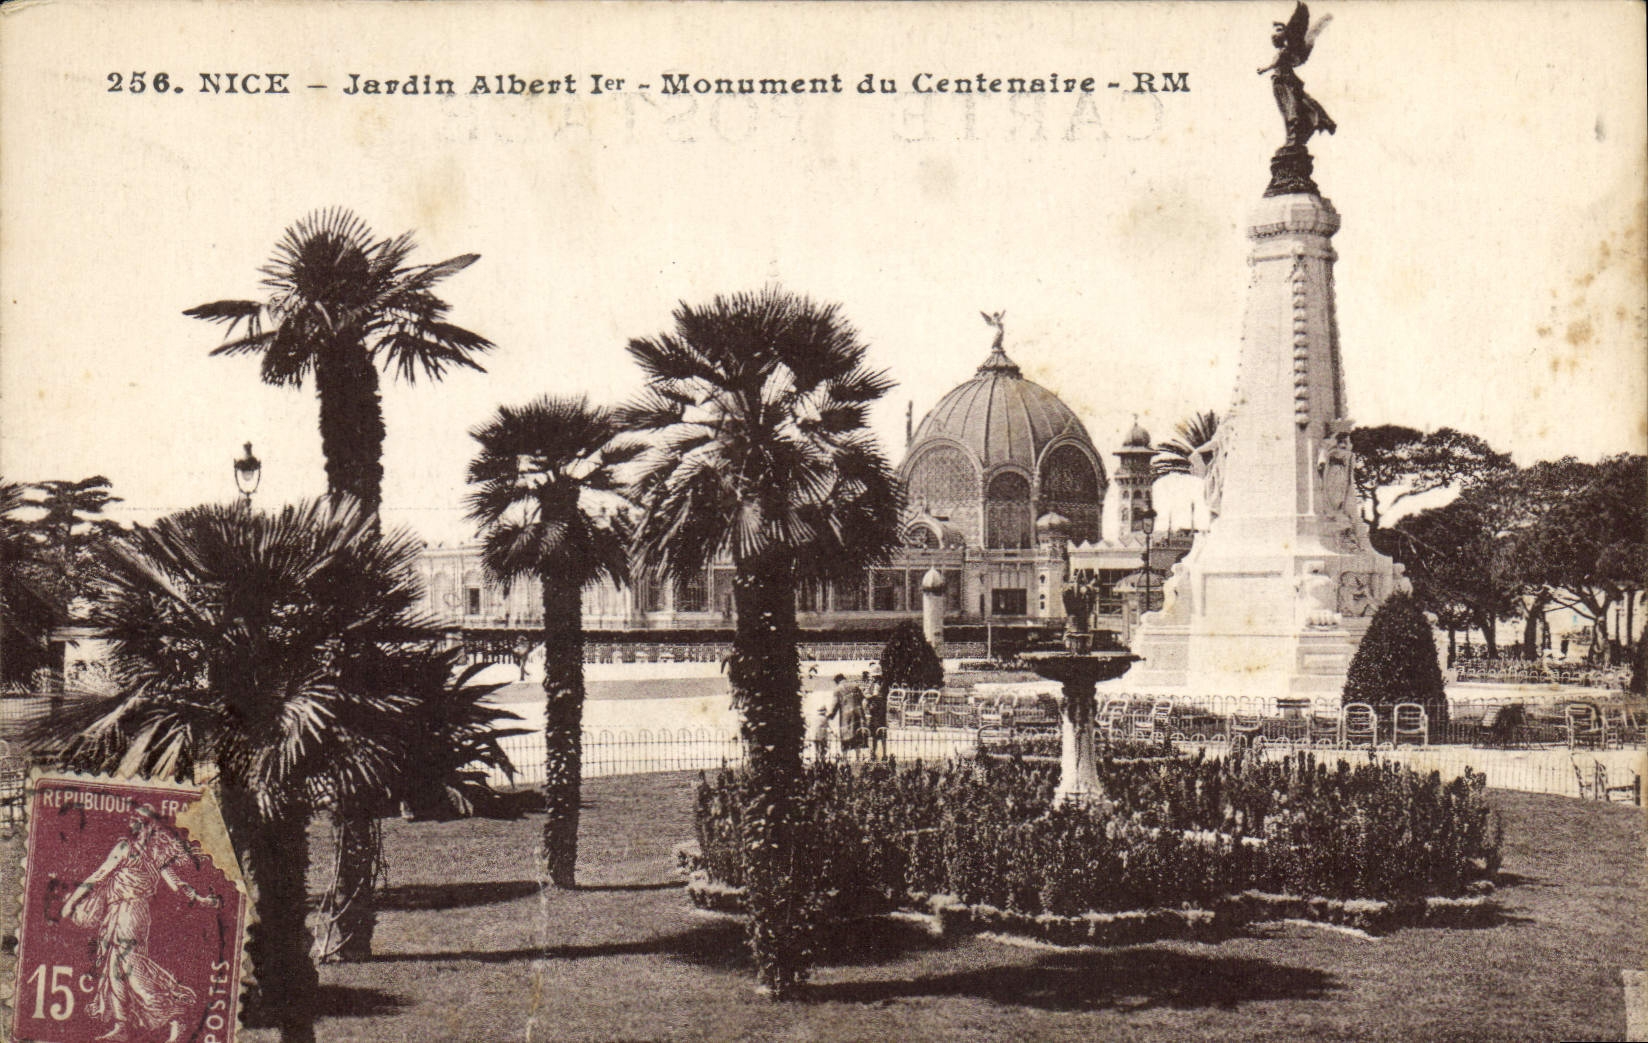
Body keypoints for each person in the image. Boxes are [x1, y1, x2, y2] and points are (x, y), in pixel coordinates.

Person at [60, 804, 221, 1043]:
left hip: (128, 912)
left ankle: (173, 1011)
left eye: (137, 819)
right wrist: (200, 899)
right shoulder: (156, 854)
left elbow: (98, 876)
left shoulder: (125, 847)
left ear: (147, 825)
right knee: (115, 965)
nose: (131, 821)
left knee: (130, 966)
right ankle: (122, 1025)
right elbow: (177, 884)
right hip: (129, 913)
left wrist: (70, 903)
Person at [827, 673, 867, 756]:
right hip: (858, 715)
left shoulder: (838, 690)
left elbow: (834, 705)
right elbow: (863, 698)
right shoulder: (855, 686)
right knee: (857, 736)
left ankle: (845, 759)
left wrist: (830, 715)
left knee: (845, 738)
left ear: (837, 681)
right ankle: (858, 758)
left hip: (846, 717)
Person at [863, 670, 887, 758]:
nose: (873, 679)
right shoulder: (877, 685)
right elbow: (867, 693)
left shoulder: (879, 685)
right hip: (878, 711)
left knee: (879, 733)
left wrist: (868, 696)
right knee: (878, 733)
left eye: (874, 677)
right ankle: (877, 753)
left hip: (878, 711)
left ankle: (879, 753)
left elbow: (874, 695)